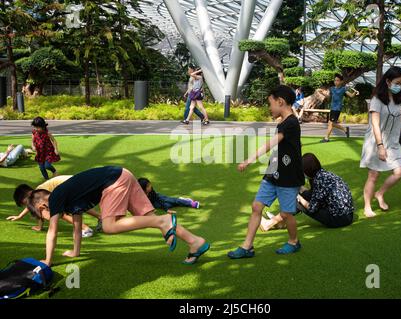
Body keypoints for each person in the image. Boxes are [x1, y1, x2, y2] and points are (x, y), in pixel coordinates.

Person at [27, 166, 210, 266]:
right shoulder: (68, 198)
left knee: (109, 226)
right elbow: (77, 226)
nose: (45, 215)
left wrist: (48, 260)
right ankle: (195, 242)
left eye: (42, 213)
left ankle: (163, 221)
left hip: (113, 181)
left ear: (42, 205)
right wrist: (76, 252)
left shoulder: (56, 196)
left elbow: (52, 232)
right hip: (123, 174)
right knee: (147, 216)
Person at [227, 85, 305, 259]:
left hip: (288, 176)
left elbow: (270, 144)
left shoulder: (291, 123)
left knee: (286, 213)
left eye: (270, 104)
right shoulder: (283, 122)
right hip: (273, 172)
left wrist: (248, 160)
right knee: (256, 206)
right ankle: (247, 247)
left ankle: (294, 242)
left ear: (280, 102)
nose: (269, 108)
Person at [360, 66, 401, 218]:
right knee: (373, 175)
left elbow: (398, 117)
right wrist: (380, 146)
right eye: (397, 82)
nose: (399, 86)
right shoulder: (377, 99)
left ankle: (379, 194)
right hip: (376, 141)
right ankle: (367, 206)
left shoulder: (400, 98)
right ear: (388, 81)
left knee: (400, 172)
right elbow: (375, 123)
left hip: (393, 142)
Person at [260, 153, 354, 230]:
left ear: (307, 171)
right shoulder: (322, 174)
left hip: (338, 219)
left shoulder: (319, 181)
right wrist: (299, 189)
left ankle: (269, 224)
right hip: (348, 215)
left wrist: (299, 198)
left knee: (297, 203)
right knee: (301, 196)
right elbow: (313, 194)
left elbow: (312, 208)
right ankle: (280, 222)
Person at [7, 176, 102, 237]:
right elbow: (35, 208)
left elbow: (39, 209)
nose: (26, 205)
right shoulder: (37, 193)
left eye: (24, 203)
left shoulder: (39, 194)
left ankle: (86, 229)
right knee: (78, 205)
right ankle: (100, 217)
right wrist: (20, 216)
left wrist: (40, 226)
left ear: (26, 195)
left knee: (61, 213)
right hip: (76, 182)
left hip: (72, 186)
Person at [320, 74, 359, 142]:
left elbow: (351, 96)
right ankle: (345, 130)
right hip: (332, 108)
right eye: (335, 80)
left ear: (341, 81)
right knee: (331, 123)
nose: (336, 82)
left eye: (338, 80)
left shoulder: (343, 89)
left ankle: (326, 138)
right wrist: (322, 93)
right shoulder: (331, 88)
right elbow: (329, 97)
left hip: (337, 108)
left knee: (331, 123)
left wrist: (355, 92)